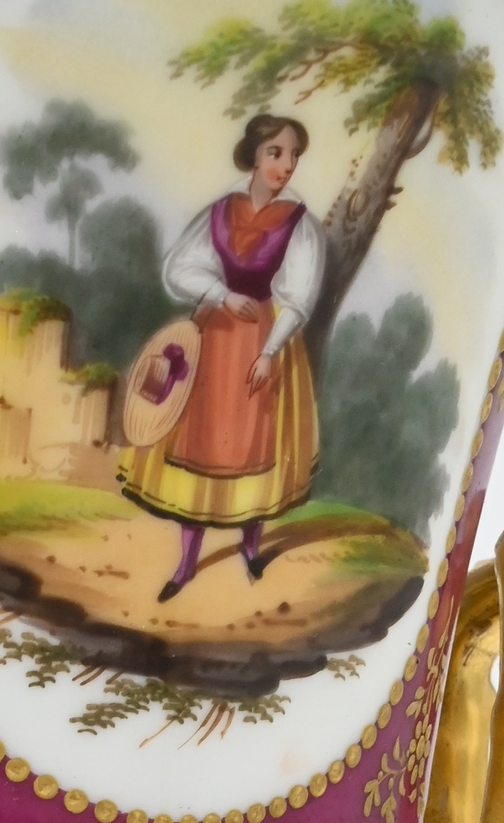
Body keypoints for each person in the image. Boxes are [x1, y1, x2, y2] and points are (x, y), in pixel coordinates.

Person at [123, 114, 324, 600]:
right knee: (200, 443)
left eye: (294, 156)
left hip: (265, 338)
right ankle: (185, 563)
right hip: (214, 337)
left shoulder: (298, 223)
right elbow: (179, 267)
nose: (286, 165)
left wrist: (270, 351)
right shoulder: (221, 211)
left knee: (254, 445)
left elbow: (299, 298)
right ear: (253, 155)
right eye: (276, 153)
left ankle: (250, 550)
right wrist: (220, 294)